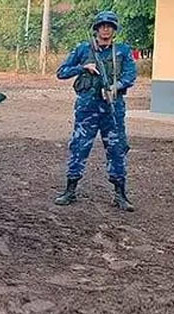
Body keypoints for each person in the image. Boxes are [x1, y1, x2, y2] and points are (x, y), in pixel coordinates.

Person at [54, 11, 136, 211]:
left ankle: (120, 194)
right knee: (79, 147)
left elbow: (131, 75)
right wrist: (83, 67)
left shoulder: (122, 51)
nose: (106, 29)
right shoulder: (83, 49)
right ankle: (70, 190)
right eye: (102, 25)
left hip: (112, 109)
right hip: (87, 108)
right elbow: (61, 72)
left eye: (109, 26)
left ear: (114, 30)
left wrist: (115, 86)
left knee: (117, 150)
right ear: (97, 28)